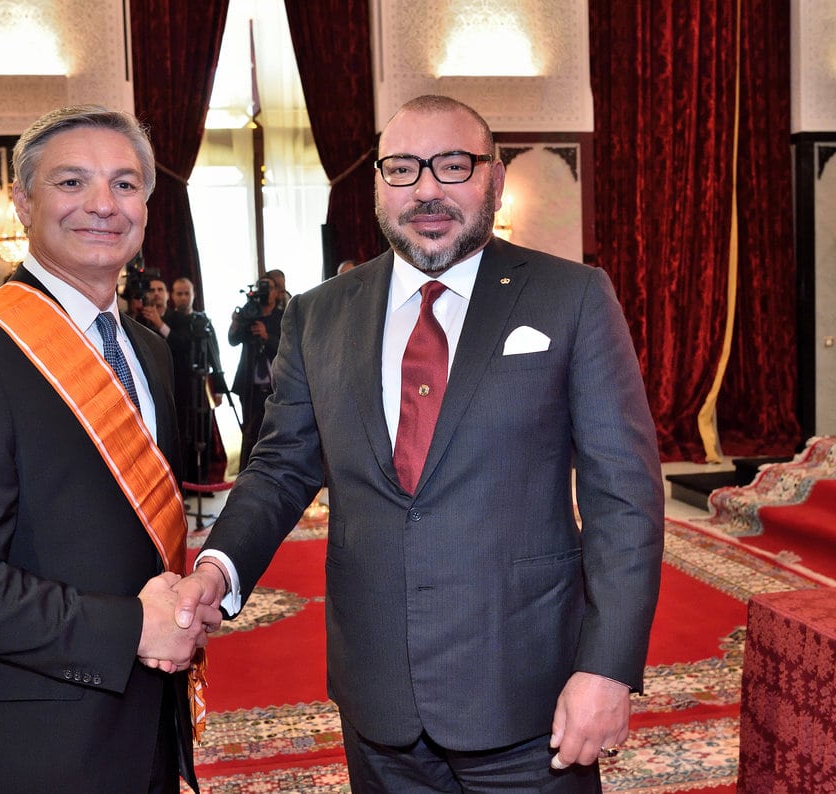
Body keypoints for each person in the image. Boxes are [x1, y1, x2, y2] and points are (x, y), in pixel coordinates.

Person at [175, 95, 664, 792]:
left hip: (531, 695)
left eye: (453, 165)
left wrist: (608, 667)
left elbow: (625, 499)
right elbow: (282, 467)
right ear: (376, 184)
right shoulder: (318, 316)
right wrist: (218, 570)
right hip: (378, 700)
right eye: (403, 168)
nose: (427, 189)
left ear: (493, 180)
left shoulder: (572, 298)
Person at [0, 105, 219, 793]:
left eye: (126, 185)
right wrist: (131, 627)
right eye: (72, 183)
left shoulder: (150, 352)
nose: (103, 205)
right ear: (22, 201)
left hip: (146, 718)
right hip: (33, 745)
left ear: (149, 207)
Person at [160, 278, 228, 486]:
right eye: (179, 294)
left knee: (203, 430)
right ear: (172, 295)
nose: (183, 298)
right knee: (182, 432)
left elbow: (214, 353)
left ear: (193, 294)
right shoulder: (167, 320)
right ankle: (184, 483)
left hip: (201, 385)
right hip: (178, 385)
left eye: (186, 293)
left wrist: (219, 388)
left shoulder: (203, 321)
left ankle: (203, 480)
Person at [227, 274, 283, 471]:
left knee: (274, 434)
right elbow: (233, 340)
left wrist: (267, 337)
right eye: (262, 288)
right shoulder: (250, 313)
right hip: (249, 386)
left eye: (269, 288)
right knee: (249, 433)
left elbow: (287, 348)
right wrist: (236, 322)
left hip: (275, 387)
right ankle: (247, 474)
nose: (265, 293)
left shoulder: (283, 316)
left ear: (276, 292)